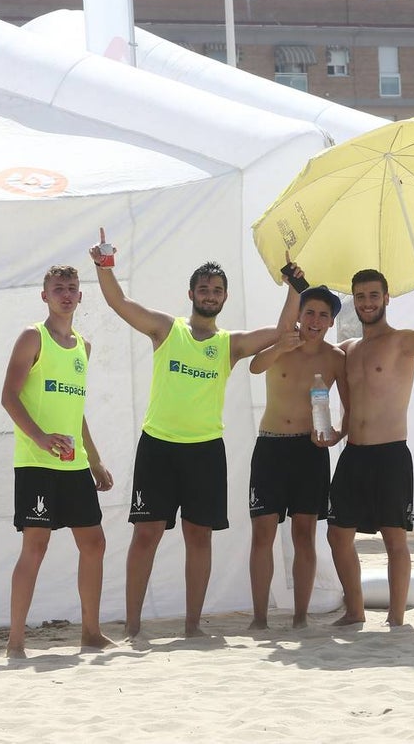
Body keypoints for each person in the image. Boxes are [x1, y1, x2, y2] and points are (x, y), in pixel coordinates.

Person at [91, 237, 299, 638]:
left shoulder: (230, 344)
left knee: (198, 535)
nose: (210, 295)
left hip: (205, 451)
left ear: (225, 298)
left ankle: (191, 626)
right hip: (158, 446)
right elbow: (120, 304)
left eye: (217, 290)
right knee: (146, 534)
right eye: (203, 288)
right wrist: (105, 264)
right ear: (191, 293)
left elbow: (279, 330)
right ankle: (132, 626)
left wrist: (294, 284)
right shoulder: (166, 329)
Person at [1, 265, 115, 658]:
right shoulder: (33, 337)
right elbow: (9, 398)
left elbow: (75, 410)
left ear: (81, 297)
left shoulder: (83, 347)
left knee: (95, 543)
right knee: (35, 546)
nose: (66, 294)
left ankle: (91, 633)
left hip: (74, 464)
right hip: (36, 463)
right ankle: (15, 642)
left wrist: (95, 460)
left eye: (72, 288)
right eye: (58, 288)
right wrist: (41, 438)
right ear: (44, 295)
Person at [327, 269, 414, 628]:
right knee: (337, 535)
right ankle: (355, 610)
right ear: (354, 302)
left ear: (386, 298)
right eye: (360, 296)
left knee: (395, 539)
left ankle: (396, 617)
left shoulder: (400, 341)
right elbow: (310, 347)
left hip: (390, 453)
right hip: (354, 453)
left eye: (374, 295)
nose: (367, 302)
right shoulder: (348, 350)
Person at [247, 285, 348, 630]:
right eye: (309, 313)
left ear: (332, 322)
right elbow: (255, 368)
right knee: (263, 533)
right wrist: (279, 346)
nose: (315, 321)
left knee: (304, 534)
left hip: (310, 451)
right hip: (271, 445)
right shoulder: (283, 342)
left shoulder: (335, 358)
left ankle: (300, 617)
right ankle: (259, 618)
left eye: (323, 315)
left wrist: (337, 433)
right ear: (299, 315)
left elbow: (349, 405)